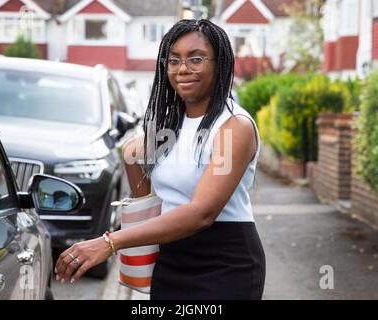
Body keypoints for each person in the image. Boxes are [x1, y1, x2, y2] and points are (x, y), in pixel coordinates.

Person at [54, 19, 266, 300]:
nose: (182, 69)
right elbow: (148, 203)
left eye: (196, 59)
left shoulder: (232, 127)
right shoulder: (169, 128)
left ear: (220, 64)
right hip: (171, 259)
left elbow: (201, 213)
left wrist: (110, 242)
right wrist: (132, 153)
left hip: (225, 262)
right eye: (174, 60)